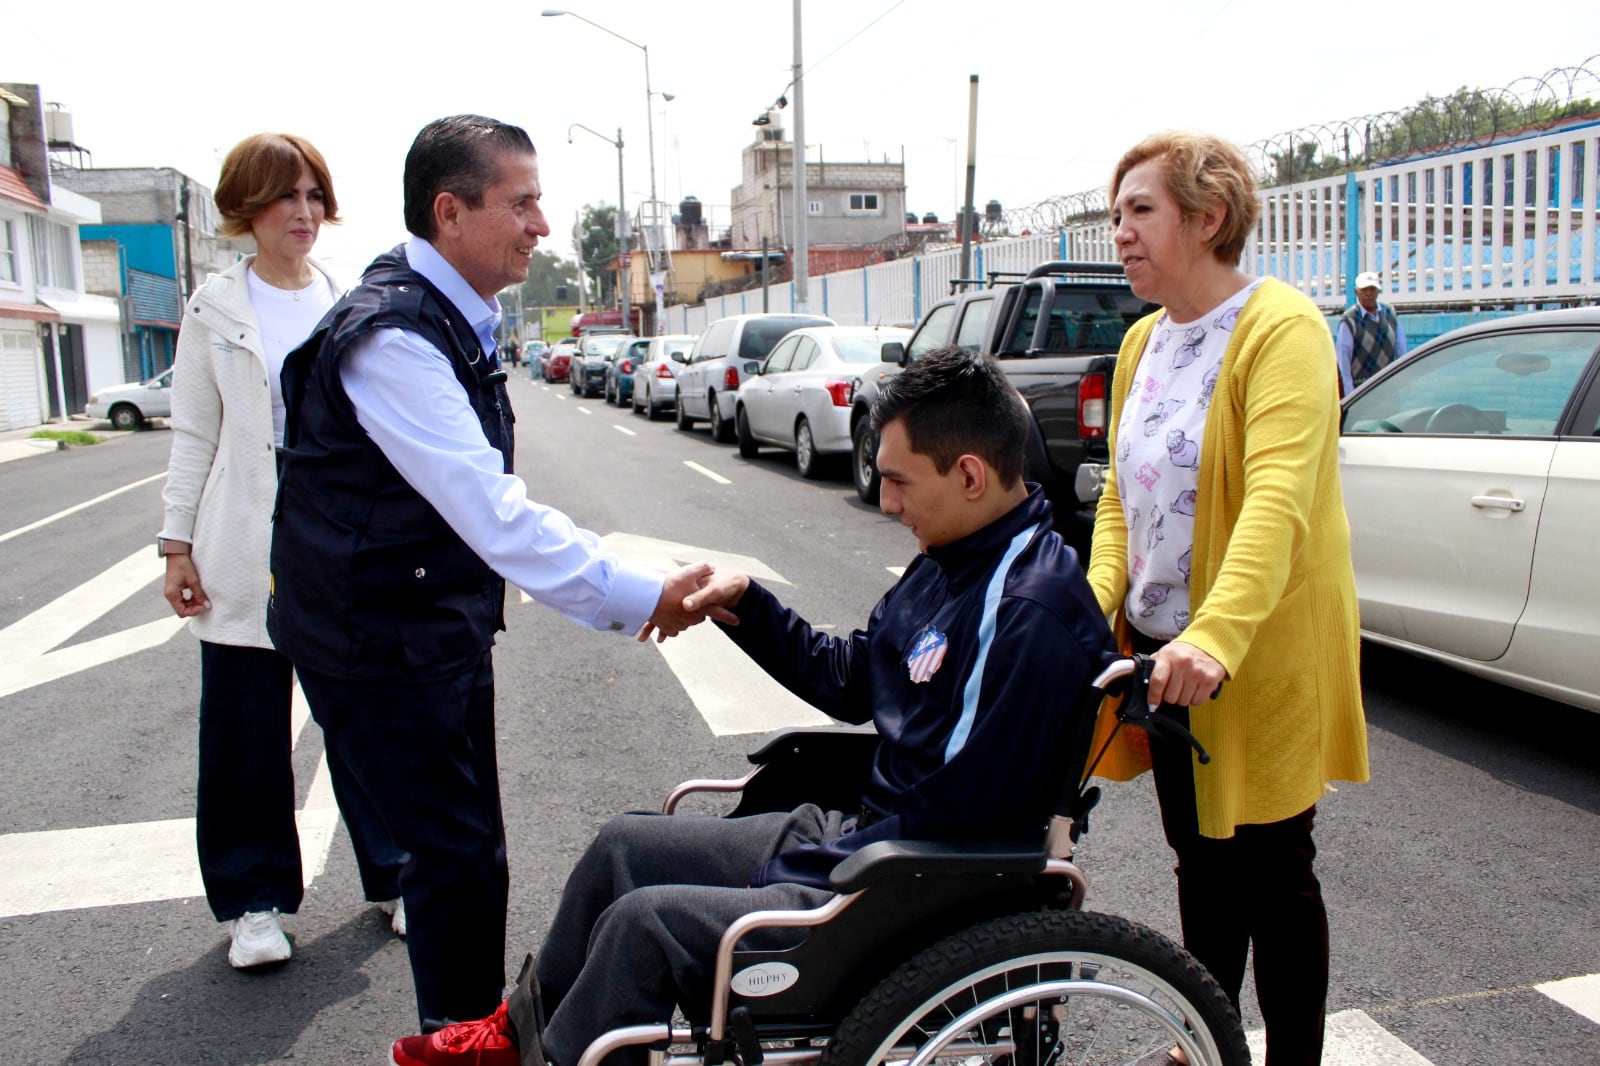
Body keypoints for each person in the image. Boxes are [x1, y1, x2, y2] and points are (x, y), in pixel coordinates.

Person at [387, 347, 1119, 1066]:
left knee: (647, 926)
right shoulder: (952, 557)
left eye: (897, 481)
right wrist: (748, 604)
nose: (885, 501)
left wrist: (806, 869)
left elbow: (964, 814)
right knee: (623, 848)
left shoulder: (1028, 612)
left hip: (902, 885)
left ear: (968, 475)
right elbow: (853, 681)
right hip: (863, 839)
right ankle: (514, 1039)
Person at [266, 114, 716, 1030]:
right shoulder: (393, 339)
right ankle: (461, 1044)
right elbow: (491, 513)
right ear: (450, 212)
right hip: (378, 640)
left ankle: (464, 1035)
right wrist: (638, 596)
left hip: (425, 625)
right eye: (522, 203)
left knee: (466, 857)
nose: (541, 225)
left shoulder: (440, 320)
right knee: (454, 858)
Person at [1089, 131, 1370, 1065]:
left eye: (1141, 211)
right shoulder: (1142, 341)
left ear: (1207, 219)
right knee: (1201, 865)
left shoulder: (1282, 328)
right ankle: (1210, 1034)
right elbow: (1122, 500)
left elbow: (1278, 500)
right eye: (1116, 212)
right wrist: (1092, 611)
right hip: (1167, 658)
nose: (1119, 232)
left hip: (1256, 651)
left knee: (1274, 870)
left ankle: (1290, 1055)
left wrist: (1215, 638)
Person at [158, 132, 405, 971]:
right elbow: (194, 433)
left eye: (312, 195)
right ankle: (255, 903)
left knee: (366, 718)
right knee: (244, 730)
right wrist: (176, 545)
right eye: (282, 198)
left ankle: (396, 874)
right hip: (241, 539)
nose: (302, 213)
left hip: (337, 543)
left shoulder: (349, 300)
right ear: (246, 209)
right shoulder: (214, 307)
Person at [1334, 270, 1407, 395]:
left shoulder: (1389, 313)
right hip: (1362, 393)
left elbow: (1401, 349)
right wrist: (1350, 396)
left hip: (1388, 389)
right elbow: (1343, 364)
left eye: (1372, 289)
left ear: (1378, 291)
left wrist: (1405, 380)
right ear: (1356, 292)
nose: (1368, 293)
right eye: (1364, 289)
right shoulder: (1349, 321)